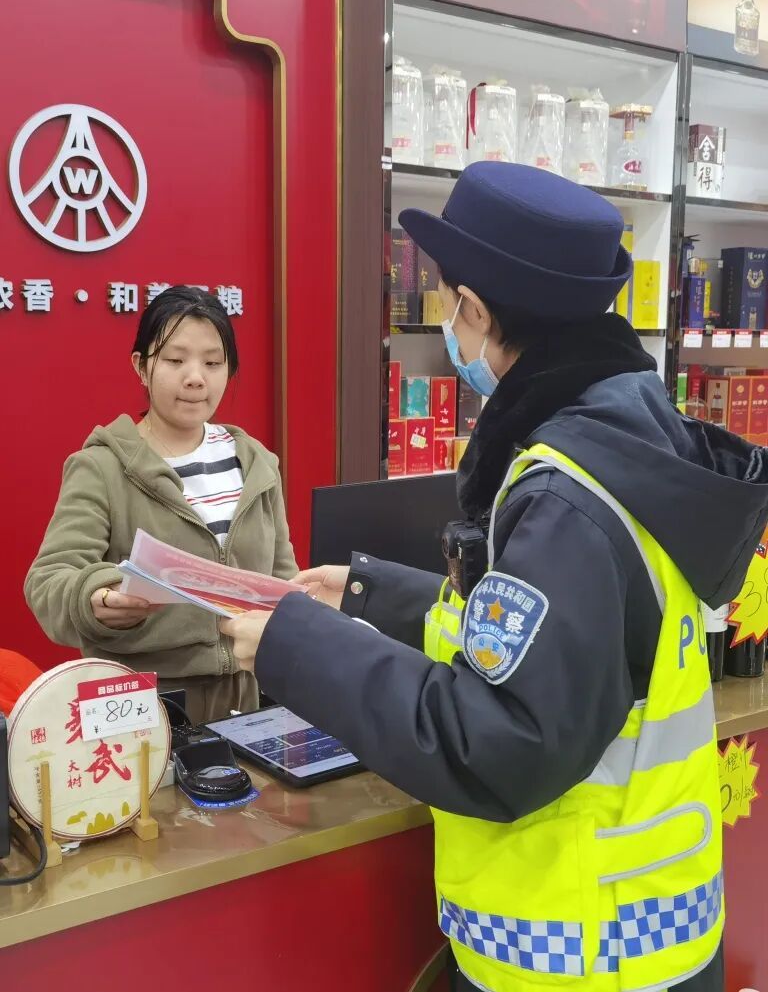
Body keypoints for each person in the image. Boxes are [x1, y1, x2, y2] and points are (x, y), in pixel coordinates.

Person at [221, 163, 768, 992]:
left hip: (582, 956)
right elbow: (548, 647)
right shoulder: (631, 433)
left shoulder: (567, 492)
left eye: (446, 303)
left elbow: (495, 743)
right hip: (648, 927)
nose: (447, 322)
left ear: (475, 311)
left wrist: (296, 644)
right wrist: (368, 593)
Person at [25, 285, 297, 723]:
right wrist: (94, 597)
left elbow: (282, 577)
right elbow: (48, 580)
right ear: (142, 366)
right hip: (138, 701)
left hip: (246, 697)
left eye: (213, 362)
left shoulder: (256, 464)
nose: (196, 377)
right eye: (175, 360)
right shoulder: (102, 466)